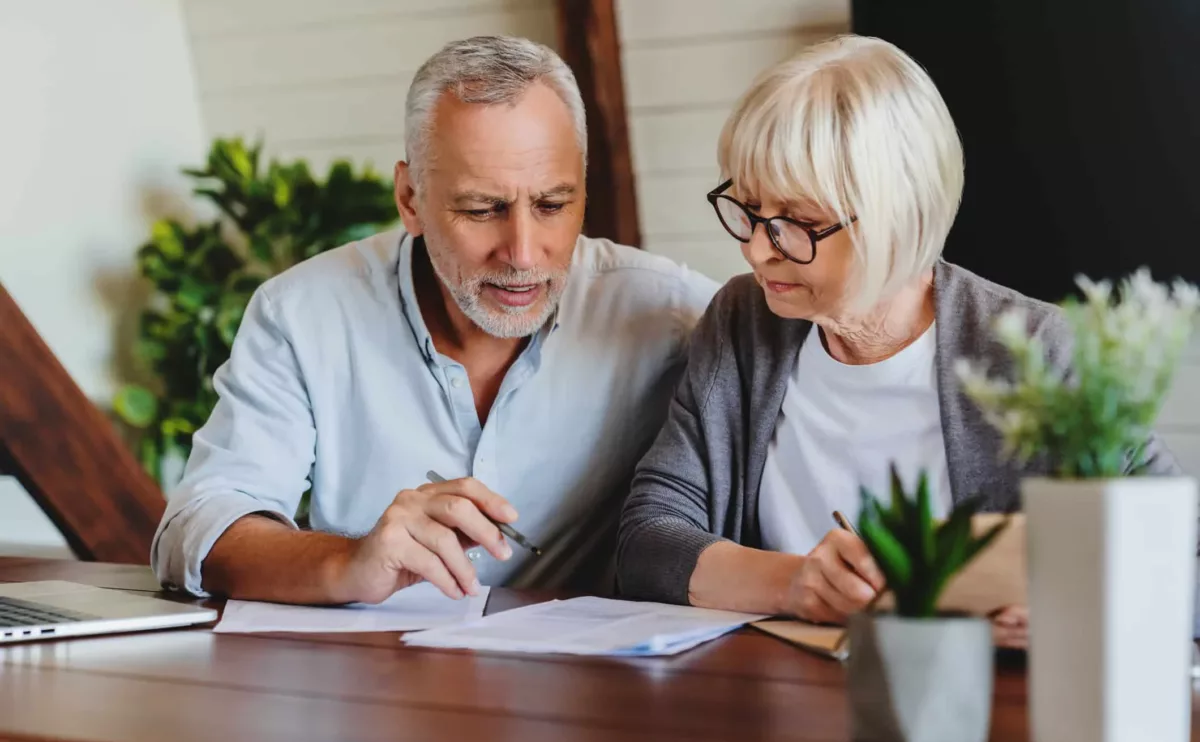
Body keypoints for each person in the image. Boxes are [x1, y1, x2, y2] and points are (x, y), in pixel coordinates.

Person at [615, 34, 1181, 646]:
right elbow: (648, 538)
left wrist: (1090, 606)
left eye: (798, 223)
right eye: (749, 209)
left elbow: (1182, 553)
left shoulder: (1040, 353)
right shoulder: (742, 322)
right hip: (777, 704)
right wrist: (796, 582)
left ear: (898, 215)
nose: (756, 248)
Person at [151, 35, 717, 604]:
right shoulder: (302, 315)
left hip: (593, 682)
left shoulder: (669, 313)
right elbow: (197, 527)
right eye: (481, 209)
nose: (522, 253)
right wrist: (350, 562)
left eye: (552, 205)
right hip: (381, 678)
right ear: (410, 199)